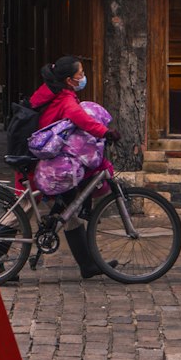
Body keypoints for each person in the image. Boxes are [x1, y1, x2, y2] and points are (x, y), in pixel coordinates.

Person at [26, 56, 114, 280]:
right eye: (80, 75)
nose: (84, 78)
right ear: (69, 80)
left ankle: (87, 265)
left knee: (69, 211)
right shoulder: (65, 100)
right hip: (44, 162)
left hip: (47, 158)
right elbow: (82, 119)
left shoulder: (51, 91)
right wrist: (106, 133)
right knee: (26, 205)